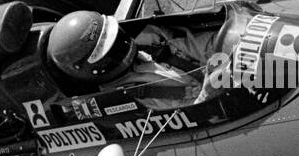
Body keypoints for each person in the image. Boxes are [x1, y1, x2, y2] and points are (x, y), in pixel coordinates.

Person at [46, 10, 214, 110]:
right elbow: (202, 111)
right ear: (96, 66)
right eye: (112, 47)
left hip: (225, 70)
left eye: (116, 36)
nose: (123, 43)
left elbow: (197, 43)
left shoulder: (147, 36)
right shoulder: (127, 97)